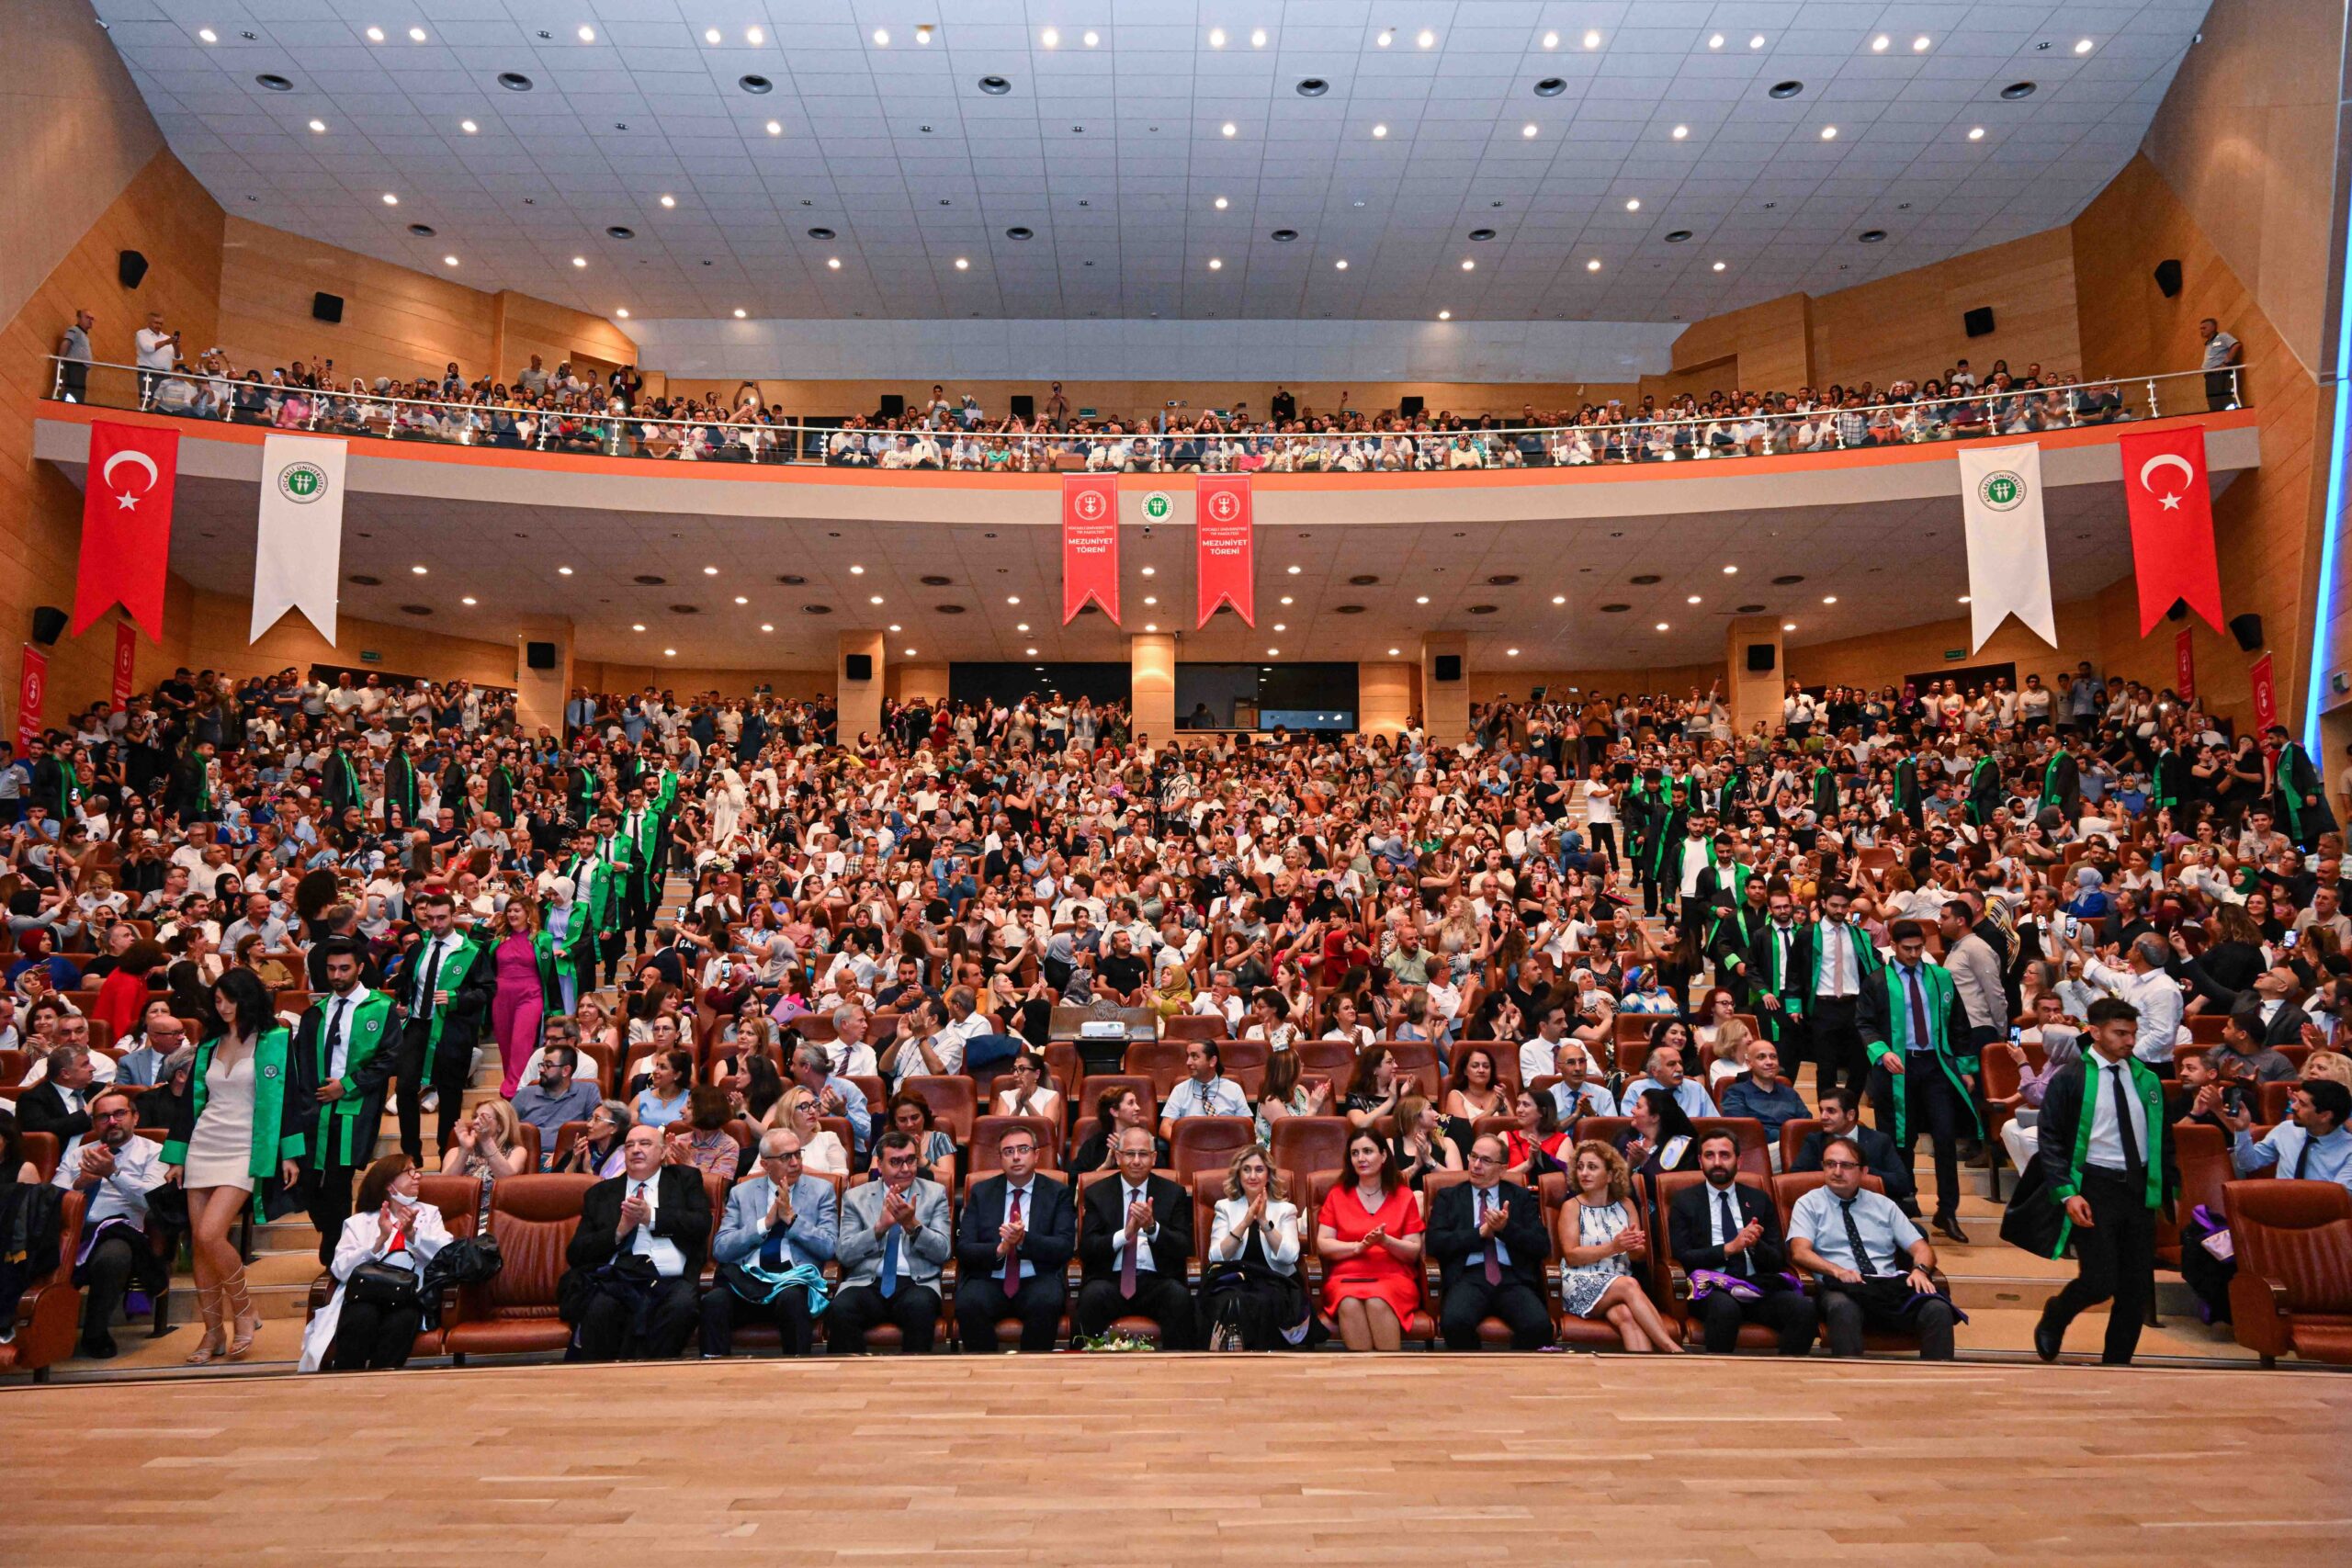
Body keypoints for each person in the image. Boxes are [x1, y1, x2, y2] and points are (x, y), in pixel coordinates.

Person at [2009, 997, 2179, 1365]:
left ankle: (2117, 1365)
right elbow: (2050, 1139)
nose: (2129, 1042)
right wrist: (2067, 1193)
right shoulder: (2071, 1078)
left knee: (2135, 1288)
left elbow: (2163, 1139)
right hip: (2094, 1187)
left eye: (2133, 1034)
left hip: (2137, 1189)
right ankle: (2058, 1312)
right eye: (2120, 1033)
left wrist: (2169, 1192)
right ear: (2095, 1032)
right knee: (2100, 1280)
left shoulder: (2148, 1080)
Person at [161, 968, 311, 1365]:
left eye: (229, 998)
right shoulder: (208, 1042)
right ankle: (212, 1333)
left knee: (212, 1234)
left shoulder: (276, 1040)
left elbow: (289, 1099)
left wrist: (289, 1152)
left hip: (246, 1146)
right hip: (204, 1144)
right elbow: (190, 1104)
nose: (222, 1006)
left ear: (247, 998)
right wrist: (176, 1156)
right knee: (199, 1244)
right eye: (218, 1000)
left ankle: (245, 1310)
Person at [1860, 919, 1980, 1244]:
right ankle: (1905, 1197)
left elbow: (1959, 1023)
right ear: (1894, 947)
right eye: (1907, 949)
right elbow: (1865, 1023)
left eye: (1918, 948)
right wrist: (1882, 1052)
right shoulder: (1877, 981)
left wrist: (1966, 1068)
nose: (1913, 954)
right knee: (1901, 1137)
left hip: (1935, 1066)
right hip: (1897, 1068)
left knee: (1944, 1137)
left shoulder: (1940, 978)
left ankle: (1948, 1210)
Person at [1787, 1135, 1957, 1359]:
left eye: (1846, 1165)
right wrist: (1836, 1271)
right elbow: (1799, 1251)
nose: (1837, 1171)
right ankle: (1849, 1382)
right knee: (1843, 1307)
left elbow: (1921, 1248)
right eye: (1830, 1164)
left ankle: (1937, 1383)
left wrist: (1920, 1270)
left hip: (1886, 1285)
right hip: (1842, 1286)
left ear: (1864, 1171)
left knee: (1937, 1309)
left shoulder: (1883, 1205)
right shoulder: (1809, 1203)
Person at [560, 1122, 709, 1361]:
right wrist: (619, 1231)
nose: (636, 1150)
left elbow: (701, 1226)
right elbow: (576, 1252)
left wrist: (652, 1218)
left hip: (671, 1278)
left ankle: (652, 1372)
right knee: (599, 1309)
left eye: (645, 1144)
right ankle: (605, 1381)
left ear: (662, 1153)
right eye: (629, 1145)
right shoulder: (602, 1193)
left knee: (682, 1307)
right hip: (618, 1278)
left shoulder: (685, 1179)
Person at [298, 1154, 451, 1372]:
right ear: (389, 1184)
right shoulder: (358, 1222)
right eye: (409, 1171)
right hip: (366, 1295)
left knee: (404, 1319)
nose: (418, 1176)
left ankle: (380, 1383)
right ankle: (346, 1381)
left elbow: (446, 1254)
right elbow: (341, 1269)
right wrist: (378, 1241)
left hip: (408, 1295)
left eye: (416, 1171)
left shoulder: (429, 1213)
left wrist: (413, 1235)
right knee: (362, 1316)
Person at [1668, 1130, 1815, 1355]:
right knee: (1725, 1309)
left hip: (1756, 1286)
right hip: (1710, 1288)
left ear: (1739, 1160)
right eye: (1709, 1155)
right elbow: (1682, 1257)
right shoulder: (1685, 1201)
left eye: (1725, 1155)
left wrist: (1755, 1244)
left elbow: (1777, 1260)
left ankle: (1786, 1379)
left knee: (1803, 1309)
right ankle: (1721, 1379)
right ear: (1700, 1161)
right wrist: (1729, 1249)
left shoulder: (1758, 1199)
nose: (1717, 1162)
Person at [297, 937, 397, 1264]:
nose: (337, 975)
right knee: (308, 1182)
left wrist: (348, 1085)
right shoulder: (316, 1013)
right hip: (316, 1106)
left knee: (338, 1182)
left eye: (344, 968)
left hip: (354, 1107)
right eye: (331, 969)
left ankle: (334, 1256)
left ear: (360, 968)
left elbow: (390, 1058)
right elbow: (303, 1062)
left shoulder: (380, 1008)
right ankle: (332, 1235)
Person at [700, 1127, 838, 1359]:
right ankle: (714, 1374)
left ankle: (797, 1372)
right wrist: (764, 1224)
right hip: (747, 1281)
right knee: (714, 1301)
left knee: (793, 1300)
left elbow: (828, 1246)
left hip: (792, 1279)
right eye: (786, 1157)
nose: (795, 1162)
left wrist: (792, 1220)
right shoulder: (741, 1193)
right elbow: (721, 1248)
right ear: (765, 1165)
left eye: (798, 1154)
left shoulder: (821, 1191)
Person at [52, 1086, 167, 1359]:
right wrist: (80, 1184)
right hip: (75, 1231)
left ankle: (95, 1333)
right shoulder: (78, 1154)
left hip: (122, 1232)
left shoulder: (155, 1152)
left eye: (119, 1114)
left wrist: (112, 1174)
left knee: (112, 1257)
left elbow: (153, 1202)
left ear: (135, 1117)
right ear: (94, 1123)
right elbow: (52, 1200)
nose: (112, 1121)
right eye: (103, 1117)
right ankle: (45, 1335)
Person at [952, 1124, 1074, 1353]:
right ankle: (984, 1374)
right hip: (989, 1277)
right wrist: (1000, 1249)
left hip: (1037, 1276)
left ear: (1037, 1155)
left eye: (1023, 1149)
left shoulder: (1057, 1193)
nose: (1016, 1157)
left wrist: (1023, 1240)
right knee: (969, 1303)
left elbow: (1064, 1246)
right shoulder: (981, 1192)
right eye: (1008, 1151)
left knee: (1046, 1302)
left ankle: (1033, 1376)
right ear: (1000, 1158)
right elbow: (964, 1248)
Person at [829, 1129, 952, 1353]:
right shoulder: (856, 1197)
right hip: (867, 1282)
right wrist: (879, 1228)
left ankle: (911, 1382)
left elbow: (943, 1251)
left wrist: (913, 1225)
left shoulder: (935, 1194)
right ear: (879, 1164)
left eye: (910, 1160)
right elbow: (844, 1253)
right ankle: (852, 1380)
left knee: (920, 1307)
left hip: (916, 1282)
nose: (905, 1169)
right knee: (841, 1308)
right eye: (896, 1162)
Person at [393, 891, 494, 1161]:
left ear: (453, 916)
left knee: (450, 1094)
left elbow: (486, 991)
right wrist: (402, 1001)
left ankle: (447, 1153)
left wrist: (456, 998)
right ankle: (410, 1154)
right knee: (404, 1089)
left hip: (453, 1029)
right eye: (431, 918)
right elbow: (406, 981)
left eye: (442, 918)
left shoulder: (471, 951)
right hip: (417, 1025)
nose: (436, 924)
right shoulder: (417, 948)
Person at [1555, 1138, 1681, 1352]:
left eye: (1592, 1167)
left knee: (1625, 1315)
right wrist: (1613, 1247)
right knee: (1629, 1285)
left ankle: (1643, 1377)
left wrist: (1632, 1249)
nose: (1584, 1173)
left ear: (1611, 1175)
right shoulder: (1571, 1207)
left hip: (1619, 1282)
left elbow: (1639, 1255)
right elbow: (1571, 1255)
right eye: (1581, 1167)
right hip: (1578, 1281)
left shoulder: (1626, 1204)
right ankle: (1671, 1349)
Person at [1428, 1134, 1554, 1350]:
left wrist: (1505, 1229)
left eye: (1485, 1160)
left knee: (1538, 1326)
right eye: (1473, 1156)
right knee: (1454, 1323)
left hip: (1512, 1277)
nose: (1476, 1165)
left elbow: (1541, 1245)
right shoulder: (1449, 1197)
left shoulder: (1520, 1197)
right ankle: (1474, 1375)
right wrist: (1479, 1233)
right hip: (1468, 1277)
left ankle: (1514, 1375)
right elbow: (1435, 1243)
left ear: (1503, 1169)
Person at [1077, 1126, 1197, 1348]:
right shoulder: (1097, 1193)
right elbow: (1087, 1248)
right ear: (1118, 1157)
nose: (1136, 1161)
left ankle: (1180, 1372)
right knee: (1090, 1298)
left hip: (1156, 1281)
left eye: (1143, 1154)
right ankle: (1086, 1372)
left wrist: (1152, 1228)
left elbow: (1184, 1246)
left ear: (1153, 1158)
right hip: (1110, 1280)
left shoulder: (1172, 1194)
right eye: (1130, 1154)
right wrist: (1125, 1235)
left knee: (1179, 1297)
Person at [1316, 1127, 1425, 1351]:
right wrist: (1358, 1247)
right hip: (1347, 1276)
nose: (1361, 1158)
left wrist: (1386, 1242)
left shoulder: (1403, 1195)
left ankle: (1388, 1377)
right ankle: (1362, 1378)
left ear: (1384, 1156)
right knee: (1348, 1302)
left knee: (1378, 1301)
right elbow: (1323, 1243)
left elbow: (1414, 1249)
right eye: (1355, 1153)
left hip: (1393, 1276)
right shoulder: (1338, 1195)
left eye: (1367, 1151)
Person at [1199, 1145, 1309, 1350]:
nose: (1252, 1176)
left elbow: (1290, 1256)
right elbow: (1215, 1256)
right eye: (1246, 1169)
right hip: (1233, 1280)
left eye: (1259, 1169)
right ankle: (1229, 1352)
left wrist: (1264, 1222)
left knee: (1264, 1300)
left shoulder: (1286, 1210)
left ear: (1268, 1175)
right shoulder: (1225, 1207)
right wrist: (1245, 1222)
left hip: (1275, 1280)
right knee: (1231, 1300)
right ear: (1238, 1175)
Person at [1717, 1041, 1808, 1160]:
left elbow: (1805, 1125)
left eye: (1773, 1057)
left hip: (1791, 1146)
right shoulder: (1736, 1092)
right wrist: (1786, 1136)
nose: (1769, 1062)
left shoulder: (1790, 1093)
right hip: (1756, 1151)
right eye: (1761, 1057)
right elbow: (1742, 1130)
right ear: (1750, 1063)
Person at [512, 1043, 600, 1155]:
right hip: (524, 1156)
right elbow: (505, 1125)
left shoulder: (588, 1091)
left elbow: (596, 1128)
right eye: (542, 1064)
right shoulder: (526, 1093)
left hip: (568, 1158)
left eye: (548, 1065)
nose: (541, 1070)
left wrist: (564, 1155)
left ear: (566, 1070)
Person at [1158, 1038, 1250, 1138]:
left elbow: (1248, 1125)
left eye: (1194, 1057)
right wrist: (1185, 1145)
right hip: (1191, 1147)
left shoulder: (1234, 1089)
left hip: (1228, 1146)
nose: (1188, 1062)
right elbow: (1165, 1127)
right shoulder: (1180, 1090)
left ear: (1212, 1061)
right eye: (1188, 1056)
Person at [1069, 1085, 1167, 1173]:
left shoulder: (1147, 1141)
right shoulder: (1094, 1145)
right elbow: (1076, 1182)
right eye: (1131, 1103)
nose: (1138, 1108)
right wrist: (1104, 1167)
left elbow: (1161, 1176)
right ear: (1114, 1111)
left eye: (1136, 1103)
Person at [561, 1100, 633, 1179]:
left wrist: (588, 1171)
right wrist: (574, 1162)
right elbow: (556, 1184)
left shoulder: (622, 1157)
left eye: (597, 1119)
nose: (589, 1124)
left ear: (614, 1128)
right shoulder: (582, 1148)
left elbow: (612, 1190)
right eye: (591, 1118)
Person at [991, 1050, 1064, 1125]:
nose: (1015, 1074)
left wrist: (1027, 1104)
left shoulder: (1051, 1096)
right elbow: (1000, 1129)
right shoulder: (1005, 1096)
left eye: (1021, 1069)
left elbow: (1048, 1128)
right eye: (1015, 1069)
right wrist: (1018, 1109)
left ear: (1036, 1074)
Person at [2198, 315, 2242, 412]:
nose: (2202, 331)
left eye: (2204, 328)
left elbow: (2236, 345)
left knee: (2223, 398)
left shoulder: (2222, 336)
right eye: (2201, 329)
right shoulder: (2208, 343)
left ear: (2213, 327)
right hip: (2210, 376)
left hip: (2219, 373)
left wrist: (2226, 363)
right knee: (2213, 399)